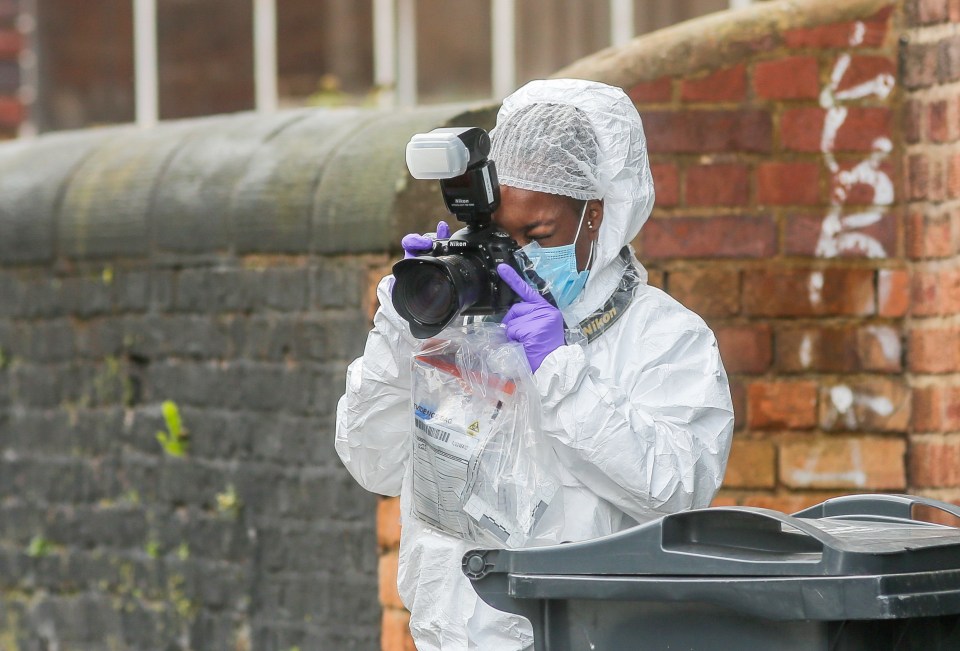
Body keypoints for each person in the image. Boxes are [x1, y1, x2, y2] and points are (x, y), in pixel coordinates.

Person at [335, 79, 734, 651]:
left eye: (537, 234)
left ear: (597, 215)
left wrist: (559, 373)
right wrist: (402, 332)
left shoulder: (666, 338)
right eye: (499, 234)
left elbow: (677, 491)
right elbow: (371, 462)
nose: (514, 255)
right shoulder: (464, 326)